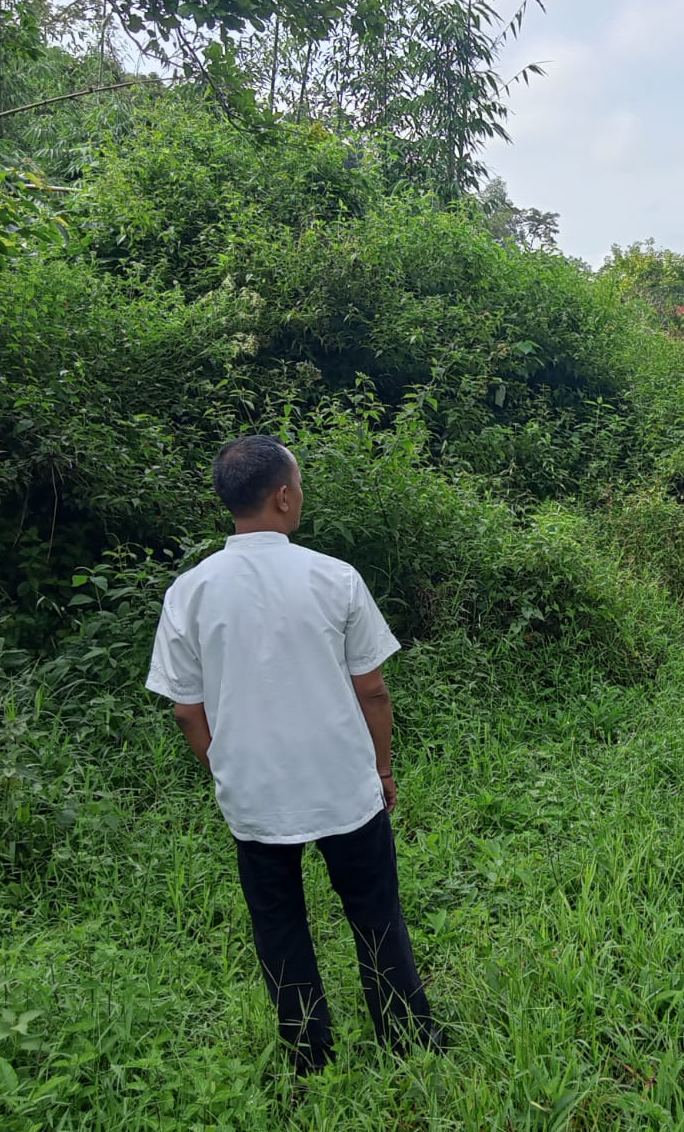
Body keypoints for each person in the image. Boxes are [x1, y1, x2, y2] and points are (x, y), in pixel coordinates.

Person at [145, 434, 440, 1076]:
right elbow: (373, 690)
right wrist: (384, 769)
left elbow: (185, 710)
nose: (300, 496)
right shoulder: (333, 577)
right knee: (374, 911)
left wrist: (225, 769)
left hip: (253, 795)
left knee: (278, 925)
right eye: (299, 486)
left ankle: (308, 1055)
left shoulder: (189, 591)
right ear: (283, 496)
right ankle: (407, 1034)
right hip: (342, 782)